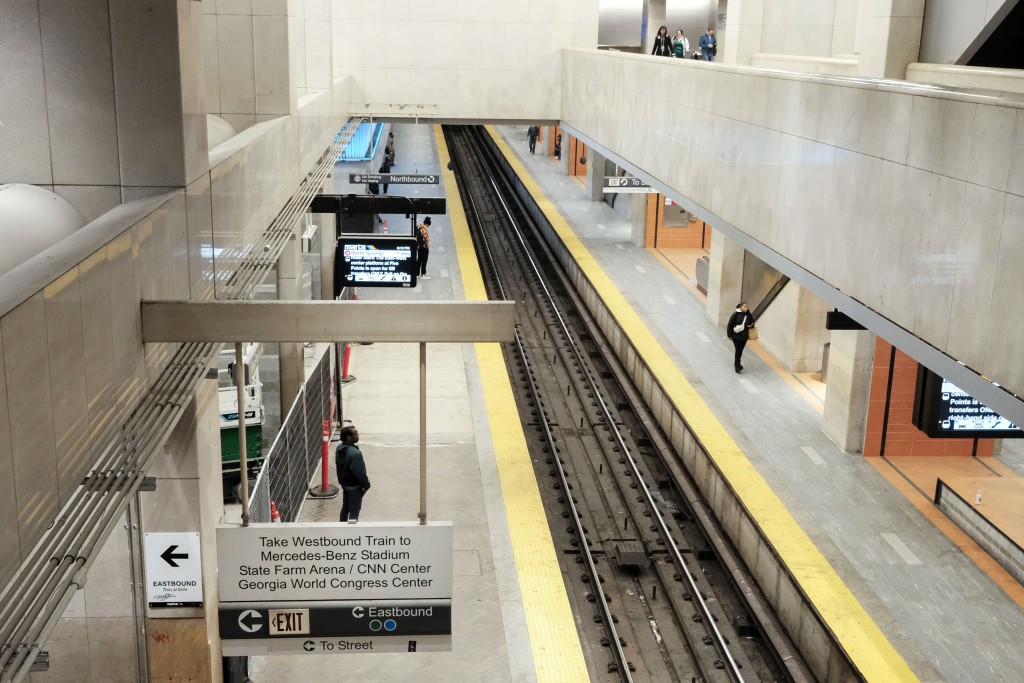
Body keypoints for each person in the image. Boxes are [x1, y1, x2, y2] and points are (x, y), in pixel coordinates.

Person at [336, 425, 370, 523]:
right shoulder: (355, 454)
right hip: (354, 487)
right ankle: (351, 534)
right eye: (355, 434)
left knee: (345, 508)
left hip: (345, 484)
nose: (358, 436)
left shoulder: (339, 448)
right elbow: (360, 473)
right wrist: (366, 485)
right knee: (354, 511)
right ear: (348, 437)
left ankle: (341, 526)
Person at [726, 302, 755, 373]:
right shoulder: (735, 315)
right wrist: (729, 335)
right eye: (745, 307)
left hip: (744, 337)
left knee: (740, 350)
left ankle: (738, 364)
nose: (747, 308)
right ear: (740, 307)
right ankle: (737, 365)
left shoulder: (749, 315)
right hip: (736, 336)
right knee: (738, 350)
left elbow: (752, 322)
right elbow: (730, 325)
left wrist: (751, 325)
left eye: (747, 307)